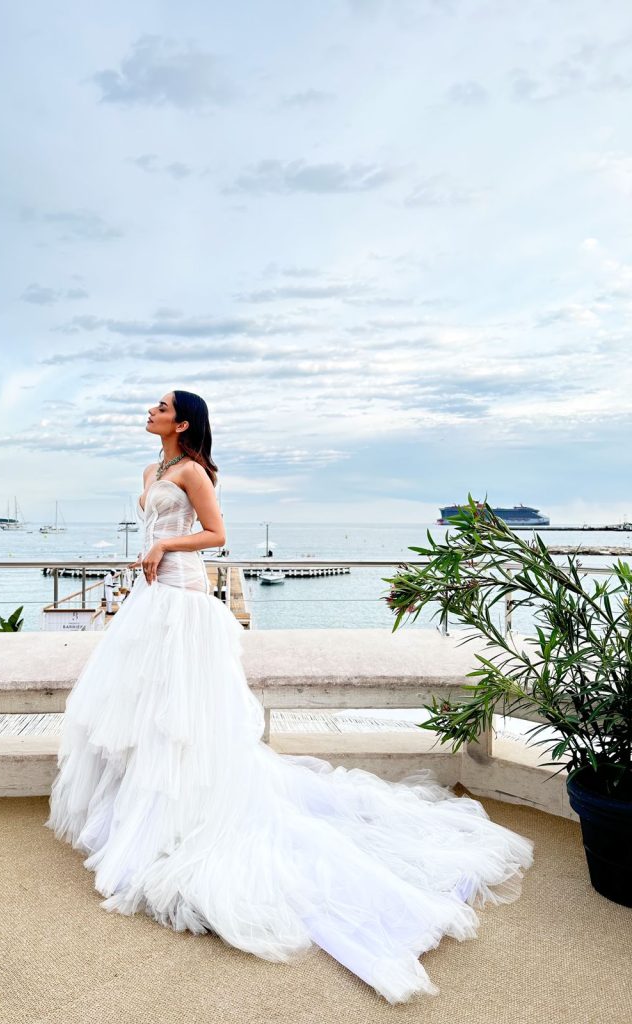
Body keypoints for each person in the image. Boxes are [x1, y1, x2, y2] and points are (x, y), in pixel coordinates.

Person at [45, 389, 534, 1005]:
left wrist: (166, 544)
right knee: (147, 715)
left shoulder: (194, 472)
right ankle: (142, 815)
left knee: (184, 720)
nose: (150, 410)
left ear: (184, 421)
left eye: (161, 405)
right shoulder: (151, 470)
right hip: (149, 606)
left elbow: (218, 534)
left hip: (185, 602)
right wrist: (153, 546)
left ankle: (180, 815)